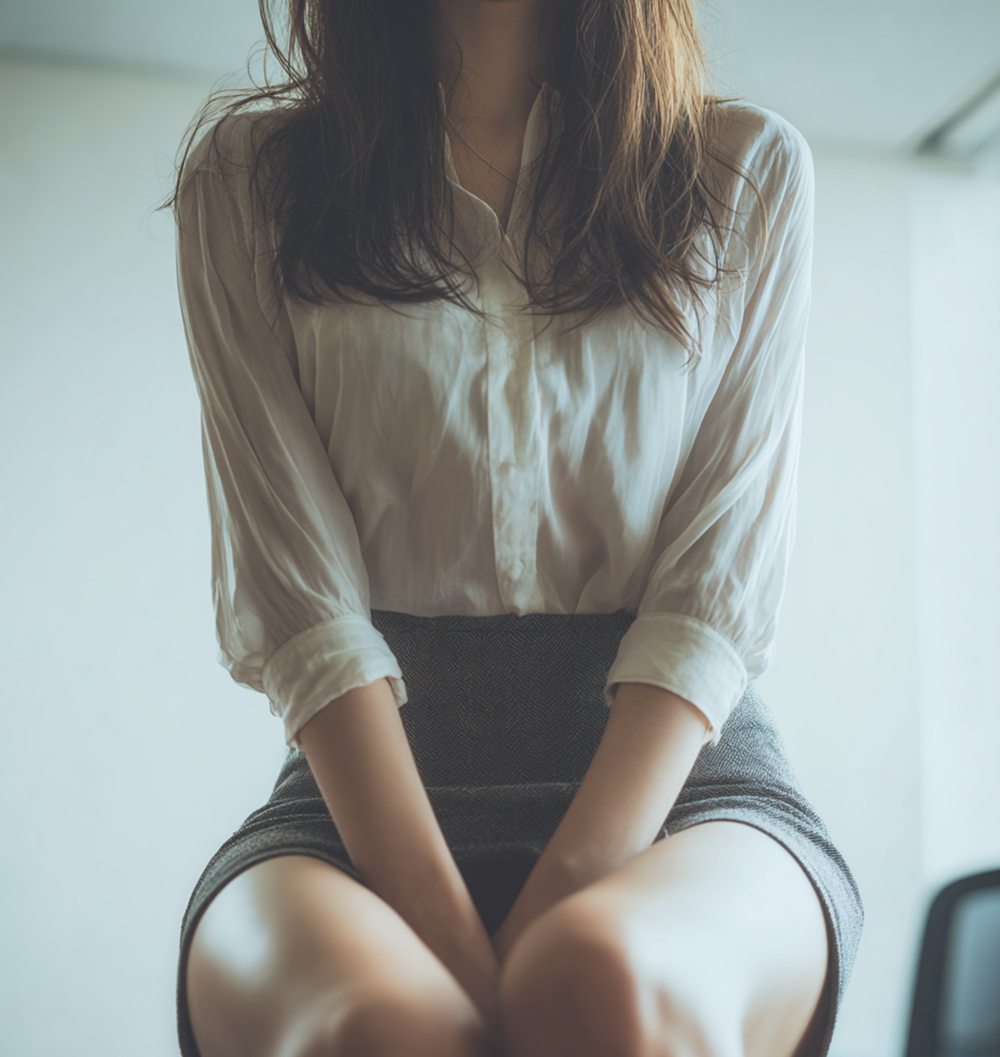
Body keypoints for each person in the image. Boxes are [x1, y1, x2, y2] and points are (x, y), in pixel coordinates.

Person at [170, 2, 863, 1055]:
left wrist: (557, 916)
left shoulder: (746, 169)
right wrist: (456, 941)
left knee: (601, 986)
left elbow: (712, 594)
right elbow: (297, 598)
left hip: (682, 786)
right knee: (374, 1028)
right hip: (356, 798)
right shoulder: (245, 177)